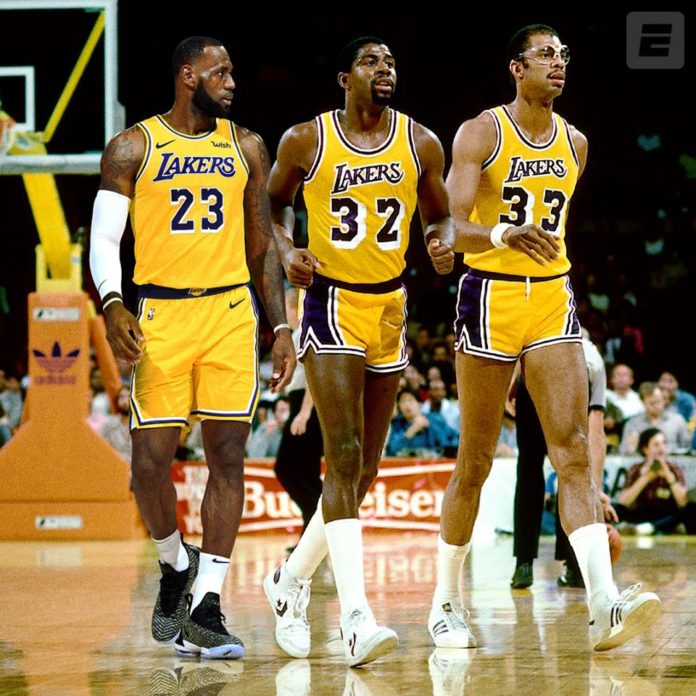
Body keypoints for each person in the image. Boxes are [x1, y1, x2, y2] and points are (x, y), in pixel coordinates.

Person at [432, 24, 660, 652]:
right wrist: (501, 234)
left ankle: (604, 603)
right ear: (516, 67)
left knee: (574, 453)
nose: (558, 64)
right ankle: (445, 601)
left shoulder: (575, 143)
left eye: (564, 55)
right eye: (545, 55)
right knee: (475, 461)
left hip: (552, 298)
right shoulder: (481, 132)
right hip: (489, 296)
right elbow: (449, 224)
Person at [88, 36, 295, 660]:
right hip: (160, 313)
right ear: (187, 76)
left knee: (227, 455)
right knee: (148, 465)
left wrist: (281, 327)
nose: (231, 82)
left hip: (229, 311)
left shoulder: (247, 146)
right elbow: (105, 240)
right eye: (219, 72)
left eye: (232, 72)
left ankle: (207, 605)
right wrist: (112, 301)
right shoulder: (133, 146)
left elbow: (262, 244)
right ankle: (175, 563)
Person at [262, 35, 454, 666]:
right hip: (332, 300)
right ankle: (355, 618)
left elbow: (439, 217)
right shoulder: (306, 140)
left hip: (391, 305)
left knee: (365, 470)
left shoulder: (421, 141)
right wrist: (287, 248)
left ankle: (289, 579)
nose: (385, 69)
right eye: (371, 62)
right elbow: (271, 205)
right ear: (345, 78)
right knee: (341, 456)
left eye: (391, 61)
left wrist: (440, 242)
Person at [510, 331, 618, 590]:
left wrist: (510, 388)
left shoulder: (540, 340)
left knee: (529, 470)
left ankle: (523, 565)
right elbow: (596, 432)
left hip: (531, 378)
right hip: (566, 382)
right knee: (571, 473)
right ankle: (574, 566)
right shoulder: (594, 360)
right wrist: (595, 488)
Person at [273, 287, 324, 545]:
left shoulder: (304, 332)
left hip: (308, 407)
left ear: (294, 308)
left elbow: (315, 375)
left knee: (286, 468)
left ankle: (319, 524)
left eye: (285, 307)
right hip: (300, 404)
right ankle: (312, 538)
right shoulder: (295, 335)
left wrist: (304, 412)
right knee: (307, 473)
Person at [615, 428, 696, 535]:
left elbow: (683, 503)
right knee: (615, 508)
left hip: (667, 515)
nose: (661, 448)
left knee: (692, 508)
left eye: (664, 443)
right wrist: (645, 478)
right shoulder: (635, 469)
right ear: (645, 449)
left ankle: (648, 528)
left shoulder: (674, 469)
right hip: (640, 513)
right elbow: (623, 502)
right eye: (656, 445)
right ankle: (646, 528)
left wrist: (668, 476)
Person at [620, 382, 690, 455]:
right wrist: (631, 450)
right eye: (652, 403)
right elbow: (623, 452)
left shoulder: (677, 420)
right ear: (643, 403)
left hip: (671, 461)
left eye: (659, 402)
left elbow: (687, 450)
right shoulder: (633, 424)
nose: (657, 406)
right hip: (643, 461)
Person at [386, 387, 457, 457]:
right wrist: (413, 429)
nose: (407, 405)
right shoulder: (397, 423)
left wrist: (430, 426)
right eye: (403, 402)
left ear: (419, 403)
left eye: (410, 400)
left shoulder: (435, 418)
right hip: (406, 461)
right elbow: (392, 449)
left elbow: (449, 441)